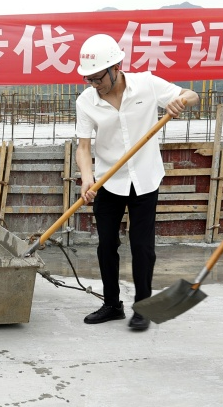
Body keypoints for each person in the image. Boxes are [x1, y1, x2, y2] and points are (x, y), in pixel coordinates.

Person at [75, 33, 198, 331]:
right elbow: (83, 147)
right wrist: (88, 178)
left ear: (116, 67)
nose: (94, 84)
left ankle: (143, 307)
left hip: (145, 178)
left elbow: (192, 94)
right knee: (106, 245)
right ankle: (112, 305)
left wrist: (179, 101)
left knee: (142, 246)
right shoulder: (86, 101)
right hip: (108, 181)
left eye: (98, 77)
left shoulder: (146, 84)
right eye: (89, 78)